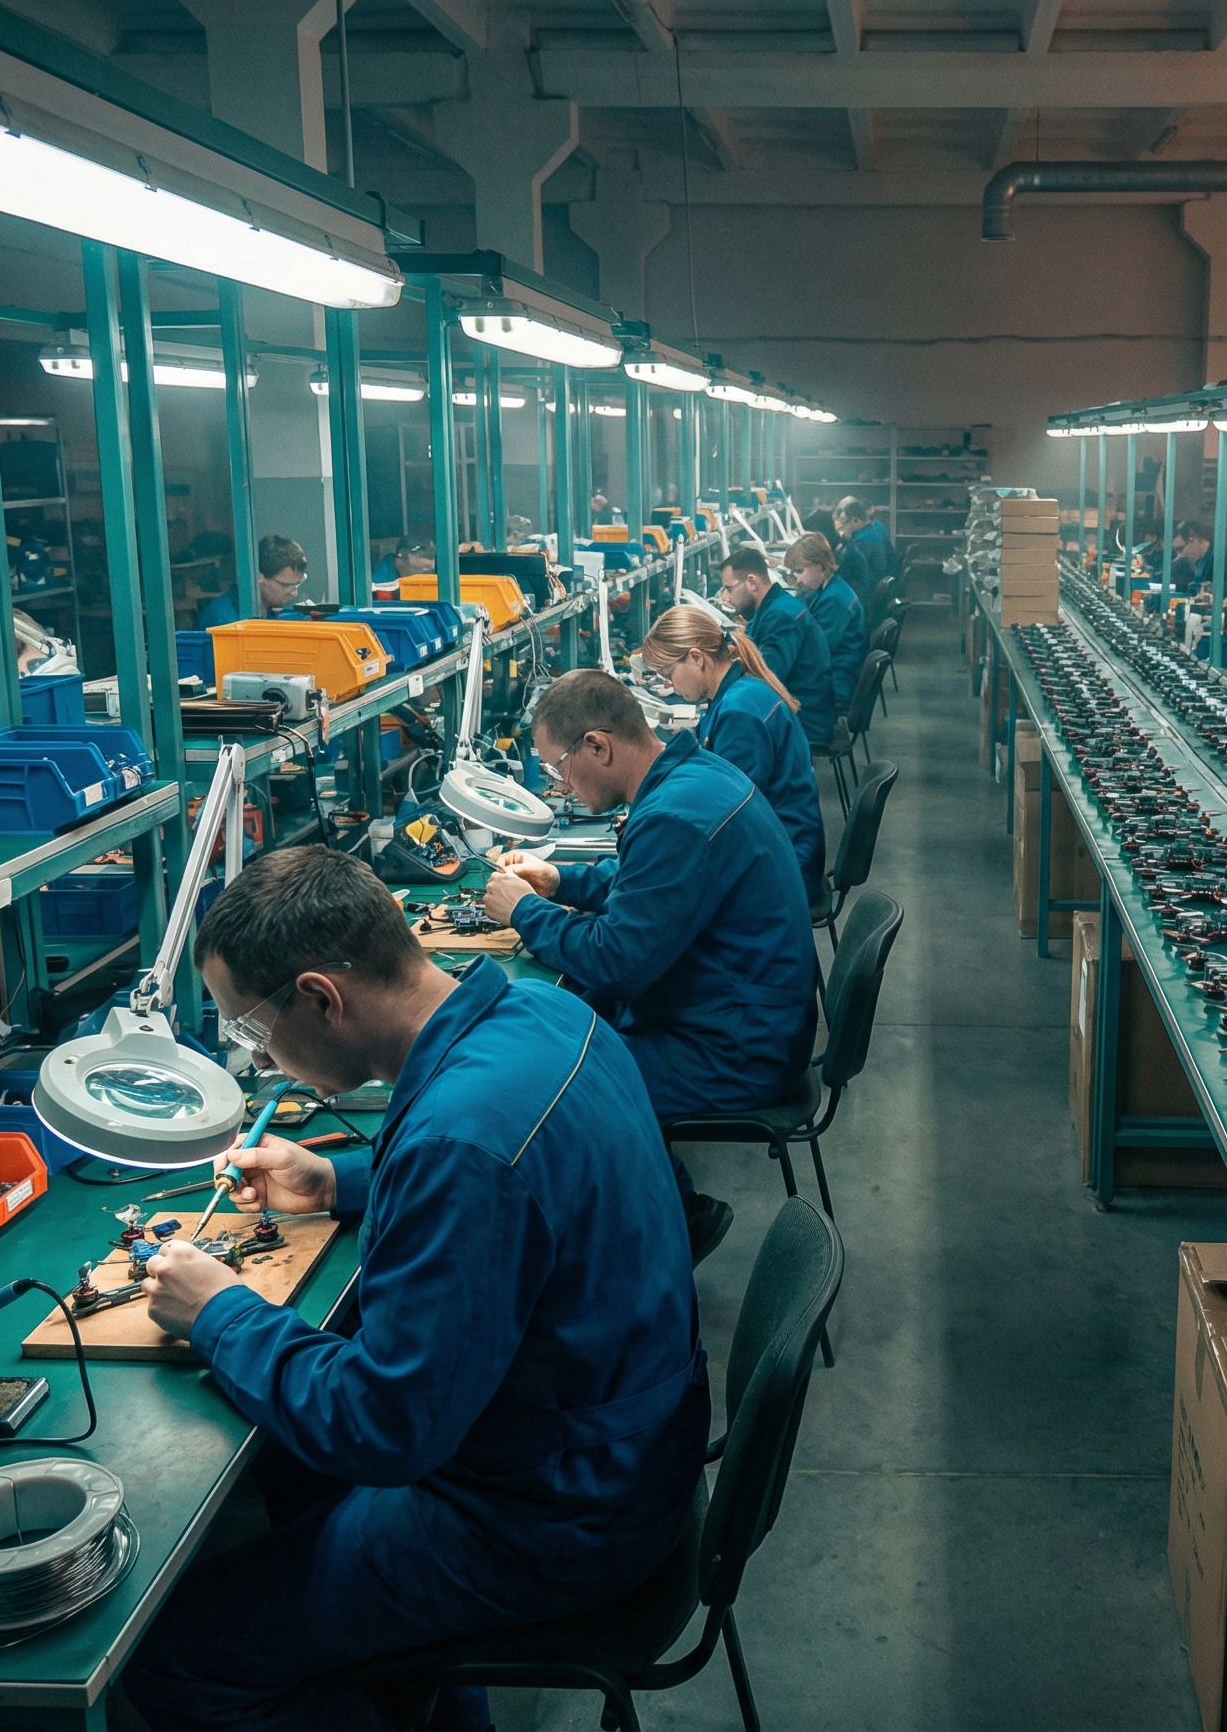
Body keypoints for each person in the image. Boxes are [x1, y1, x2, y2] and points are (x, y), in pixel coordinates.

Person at [123, 847, 706, 1732]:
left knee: (175, 1655)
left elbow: (383, 1428)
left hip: (546, 1521)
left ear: (320, 997)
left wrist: (220, 1313)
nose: (260, 1059)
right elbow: (506, 1179)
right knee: (293, 1487)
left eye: (248, 1031)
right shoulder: (543, 1012)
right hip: (624, 1452)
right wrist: (332, 1181)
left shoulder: (459, 1146)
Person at [482, 670, 820, 1255]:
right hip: (745, 1017)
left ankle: (659, 1234)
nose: (560, 788)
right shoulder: (694, 776)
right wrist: (563, 880)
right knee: (578, 1034)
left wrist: (526, 912)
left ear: (597, 745)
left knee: (559, 1086)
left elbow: (616, 962)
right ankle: (671, 1207)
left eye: (559, 768)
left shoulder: (673, 816)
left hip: (737, 1050)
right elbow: (652, 884)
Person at [640, 603, 826, 903]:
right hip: (784, 850)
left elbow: (729, 818)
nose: (668, 684)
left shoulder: (739, 713)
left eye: (667, 673)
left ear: (696, 658)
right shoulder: (736, 692)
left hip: (784, 871)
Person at [721, 545, 836, 746]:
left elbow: (765, 677)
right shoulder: (774, 607)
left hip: (806, 720)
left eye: (729, 588)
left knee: (724, 735)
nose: (726, 597)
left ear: (752, 582)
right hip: (801, 710)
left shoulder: (781, 616)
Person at [787, 532, 867, 721]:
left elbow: (816, 651)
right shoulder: (826, 590)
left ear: (820, 566)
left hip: (836, 682)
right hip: (833, 672)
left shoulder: (835, 599)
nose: (796, 578)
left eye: (799, 571)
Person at [201, 534, 309, 627]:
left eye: (298, 583)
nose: (295, 593)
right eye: (287, 585)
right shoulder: (224, 621)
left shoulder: (270, 610)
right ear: (258, 577)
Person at [1169, 522, 1214, 593]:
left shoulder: (1219, 559)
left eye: (1180, 549)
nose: (1179, 555)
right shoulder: (1199, 561)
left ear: (1193, 539)